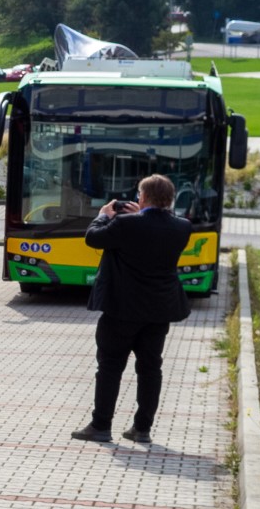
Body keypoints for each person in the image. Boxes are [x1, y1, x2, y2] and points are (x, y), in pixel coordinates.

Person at [71, 174, 193, 444]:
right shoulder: (182, 227)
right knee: (150, 369)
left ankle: (101, 426)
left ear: (143, 197)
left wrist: (103, 215)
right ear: (170, 199)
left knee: (110, 367)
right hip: (159, 311)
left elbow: (93, 238)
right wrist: (141, 215)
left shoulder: (125, 223)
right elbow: (153, 230)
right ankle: (142, 429)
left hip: (121, 310)